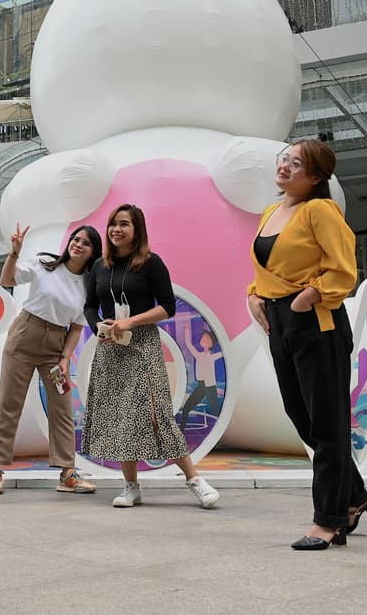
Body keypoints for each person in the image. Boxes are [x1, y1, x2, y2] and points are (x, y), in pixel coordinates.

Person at [247, 139, 367, 551]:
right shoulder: (272, 211)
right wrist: (253, 294)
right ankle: (353, 496)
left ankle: (329, 520)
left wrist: (313, 295)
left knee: (326, 422)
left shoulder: (320, 210)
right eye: (284, 159)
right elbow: (267, 267)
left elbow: (343, 269)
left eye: (296, 163)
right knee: (302, 417)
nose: (285, 166)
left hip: (316, 320)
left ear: (317, 176)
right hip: (279, 320)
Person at [82, 203, 220, 510]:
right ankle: (131, 487)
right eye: (112, 224)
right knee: (121, 415)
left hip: (142, 344)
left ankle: (195, 480)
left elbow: (168, 306)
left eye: (124, 224)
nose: (116, 230)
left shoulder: (151, 263)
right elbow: (89, 305)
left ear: (137, 230)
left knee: (156, 414)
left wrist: (132, 321)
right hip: (110, 348)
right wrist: (98, 325)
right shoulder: (99, 267)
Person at [0, 223, 102, 496]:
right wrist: (14, 253)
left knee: (62, 408)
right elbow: (8, 280)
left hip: (55, 347)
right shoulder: (45, 263)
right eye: (76, 238)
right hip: (24, 336)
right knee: (9, 403)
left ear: (92, 252)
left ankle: (68, 473)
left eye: (86, 242)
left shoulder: (88, 286)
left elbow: (76, 327)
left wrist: (64, 359)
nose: (78, 244)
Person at [179, 331, 222, 430]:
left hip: (210, 387)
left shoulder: (212, 356)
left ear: (212, 343)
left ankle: (221, 429)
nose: (204, 340)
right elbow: (188, 344)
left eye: (207, 339)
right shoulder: (198, 355)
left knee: (216, 411)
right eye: (203, 338)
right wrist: (187, 330)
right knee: (186, 408)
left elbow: (223, 353)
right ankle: (181, 431)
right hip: (201, 386)